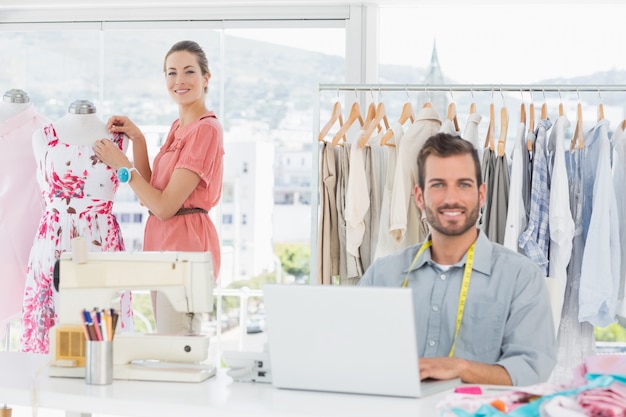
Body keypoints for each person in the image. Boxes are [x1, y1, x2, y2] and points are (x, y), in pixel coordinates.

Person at [358, 132, 556, 386]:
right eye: (438, 184)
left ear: (481, 194)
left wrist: (460, 368)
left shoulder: (521, 277)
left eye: (463, 184)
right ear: (419, 196)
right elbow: (355, 352)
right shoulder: (382, 275)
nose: (451, 198)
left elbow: (531, 368)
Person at [93, 40, 224, 335]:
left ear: (206, 78)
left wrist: (122, 166)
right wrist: (138, 139)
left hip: (185, 249)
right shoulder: (178, 127)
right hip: (163, 247)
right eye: (171, 73)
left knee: (177, 348)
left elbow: (164, 208)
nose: (179, 81)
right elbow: (151, 195)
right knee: (169, 342)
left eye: (189, 71)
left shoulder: (206, 129)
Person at [19, 100, 132, 353]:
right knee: (51, 337)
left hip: (102, 241)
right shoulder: (43, 137)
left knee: (103, 335)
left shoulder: (118, 140)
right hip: (53, 244)